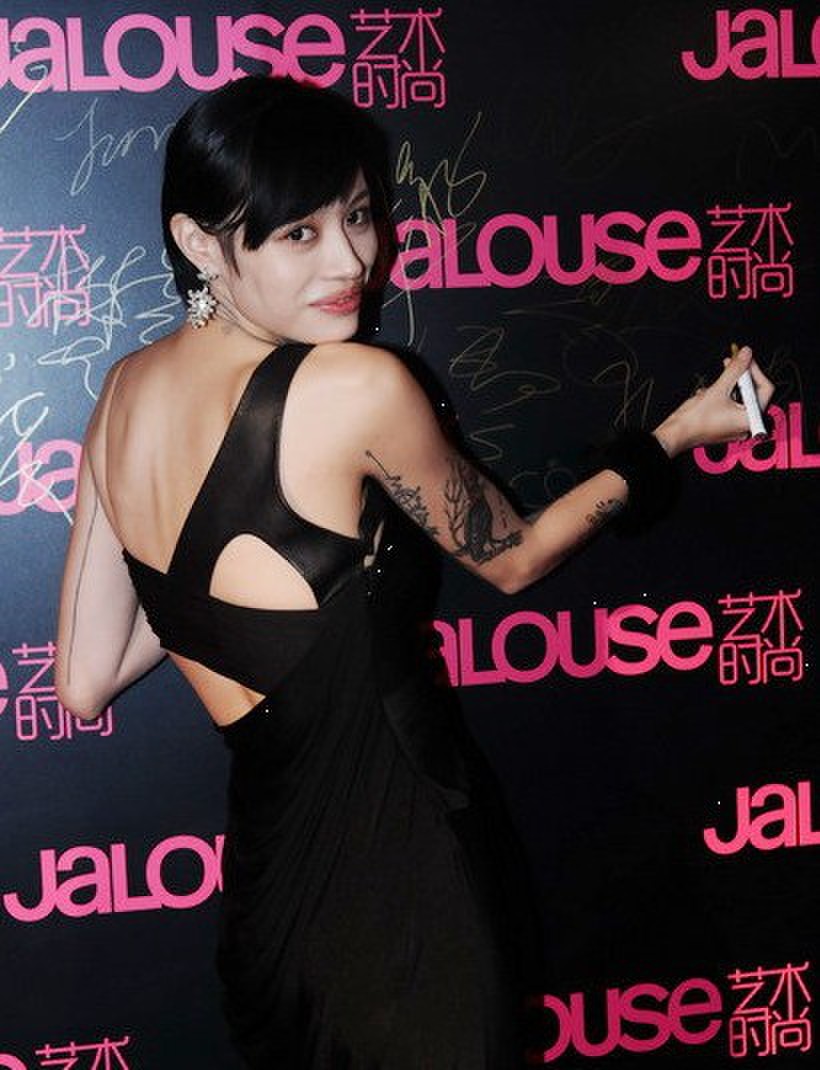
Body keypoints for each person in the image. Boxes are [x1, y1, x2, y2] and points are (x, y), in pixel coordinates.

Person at [55, 76, 772, 1069]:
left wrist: (208, 610)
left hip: (270, 917)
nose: (352, 259)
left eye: (357, 215)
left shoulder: (121, 392)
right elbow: (515, 558)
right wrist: (672, 437)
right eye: (298, 232)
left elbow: (85, 677)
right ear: (199, 243)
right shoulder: (354, 385)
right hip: (410, 900)